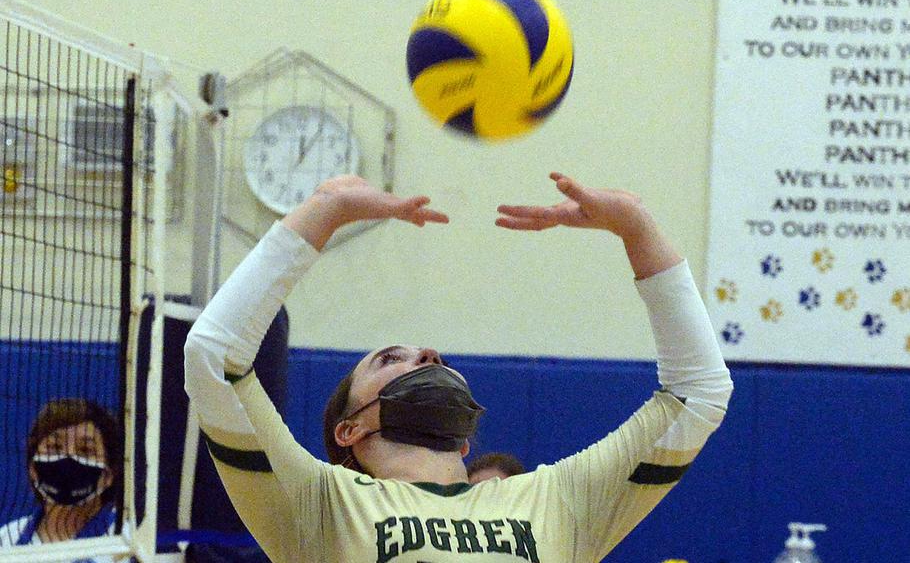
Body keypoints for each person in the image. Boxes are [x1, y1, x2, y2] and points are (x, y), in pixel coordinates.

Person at [184, 172, 733, 562]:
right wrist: (327, 208)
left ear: (467, 441)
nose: (428, 356)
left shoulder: (558, 500)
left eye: (432, 357)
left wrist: (636, 226)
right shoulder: (320, 503)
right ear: (347, 430)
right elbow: (213, 357)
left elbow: (699, 394)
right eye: (390, 358)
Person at [0, 398, 122, 560]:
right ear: (33, 468)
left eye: (85, 450)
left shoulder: (128, 543)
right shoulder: (7, 540)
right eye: (55, 447)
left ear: (108, 475)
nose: (68, 459)